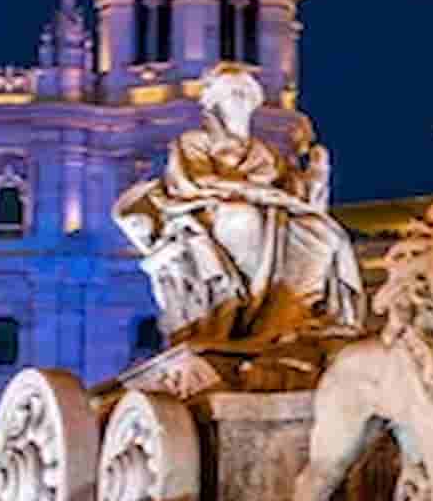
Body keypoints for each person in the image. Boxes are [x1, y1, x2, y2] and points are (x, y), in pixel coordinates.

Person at [114, 64, 364, 342]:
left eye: (245, 93)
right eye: (232, 93)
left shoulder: (266, 152)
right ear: (215, 102)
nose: (240, 100)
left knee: (321, 231)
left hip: (272, 216)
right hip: (210, 213)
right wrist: (252, 191)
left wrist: (317, 174)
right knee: (241, 217)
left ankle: (288, 316)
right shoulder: (195, 141)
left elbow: (296, 192)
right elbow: (195, 181)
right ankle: (242, 314)